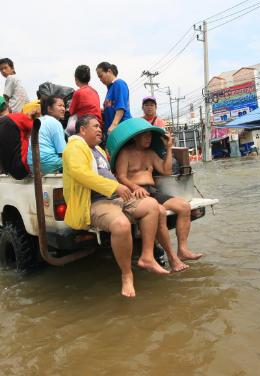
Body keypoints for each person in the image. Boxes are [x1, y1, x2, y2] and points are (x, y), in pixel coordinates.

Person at [63, 115, 188, 298]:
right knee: (121, 225)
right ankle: (127, 275)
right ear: (82, 130)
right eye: (95, 126)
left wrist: (120, 189)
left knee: (152, 205)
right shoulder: (74, 146)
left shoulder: (97, 149)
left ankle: (147, 257)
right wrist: (116, 186)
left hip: (117, 197)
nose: (100, 130)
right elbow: (79, 173)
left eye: (100, 126)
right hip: (96, 201)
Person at [115, 128, 203, 264]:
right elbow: (120, 177)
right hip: (136, 193)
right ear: (134, 137)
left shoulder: (151, 153)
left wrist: (168, 148)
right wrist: (135, 187)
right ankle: (171, 256)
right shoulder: (125, 153)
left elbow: (166, 171)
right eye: (145, 135)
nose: (148, 138)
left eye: (150, 136)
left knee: (184, 206)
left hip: (153, 191)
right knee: (159, 211)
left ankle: (183, 250)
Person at [27, 95, 67, 174]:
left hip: (32, 165)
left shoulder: (39, 120)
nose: (63, 109)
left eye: (64, 106)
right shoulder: (55, 123)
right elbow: (63, 152)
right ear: (49, 109)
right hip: (49, 164)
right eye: (60, 106)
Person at [96, 62, 132, 138]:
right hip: (111, 131)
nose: (100, 79)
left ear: (109, 71)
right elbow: (112, 106)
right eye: (99, 78)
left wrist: (114, 125)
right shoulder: (109, 89)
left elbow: (121, 107)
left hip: (121, 129)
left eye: (101, 76)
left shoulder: (119, 83)